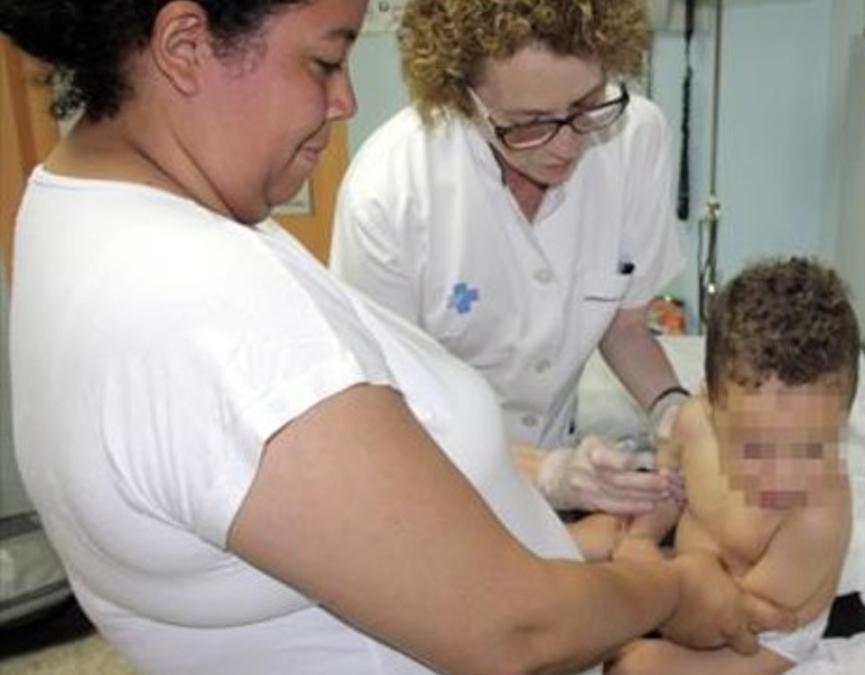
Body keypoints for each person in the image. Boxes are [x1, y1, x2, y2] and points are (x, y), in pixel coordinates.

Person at [0, 2, 795, 673]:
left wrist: (594, 526)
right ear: (184, 46)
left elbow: (362, 515)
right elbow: (510, 628)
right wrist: (672, 586)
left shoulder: (90, 203)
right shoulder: (206, 309)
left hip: (520, 559)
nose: (345, 100)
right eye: (325, 60)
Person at [329, 0, 689, 516]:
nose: (566, 145)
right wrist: (544, 472)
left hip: (562, 469)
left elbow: (625, 325)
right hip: (432, 483)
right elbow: (383, 415)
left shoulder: (635, 138)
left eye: (586, 104)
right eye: (530, 123)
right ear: (464, 97)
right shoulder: (389, 194)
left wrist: (672, 408)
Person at [604, 257, 861, 674]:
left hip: (758, 632)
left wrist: (655, 588)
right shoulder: (691, 424)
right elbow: (668, 493)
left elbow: (732, 620)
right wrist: (642, 538)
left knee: (634, 665)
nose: (782, 474)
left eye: (811, 448)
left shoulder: (819, 516)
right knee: (590, 562)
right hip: (687, 588)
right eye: (757, 448)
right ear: (711, 406)